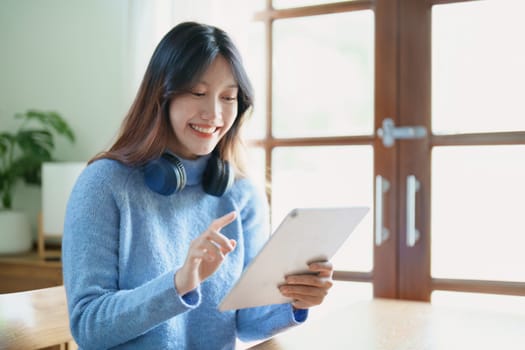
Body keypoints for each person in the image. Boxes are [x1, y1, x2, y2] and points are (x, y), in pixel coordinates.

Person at [62, 21, 333, 349]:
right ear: (162, 95)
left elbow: (246, 323)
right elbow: (89, 327)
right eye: (198, 93)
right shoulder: (104, 184)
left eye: (228, 97)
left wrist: (296, 299)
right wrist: (179, 283)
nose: (214, 113)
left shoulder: (242, 194)